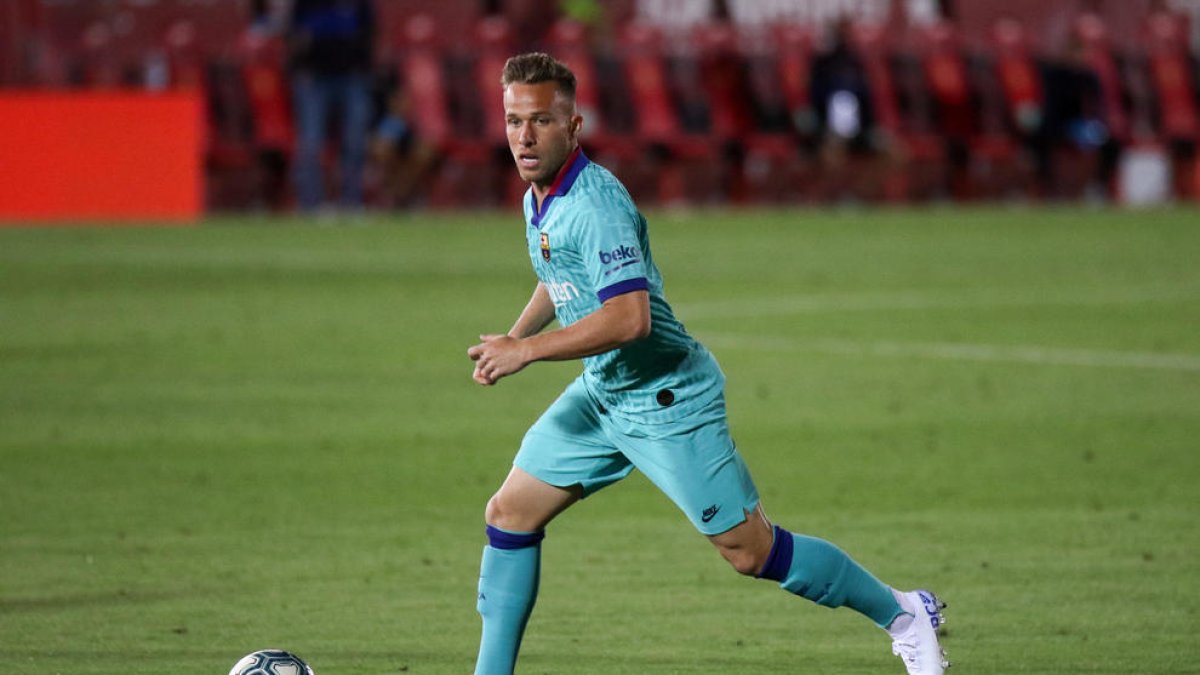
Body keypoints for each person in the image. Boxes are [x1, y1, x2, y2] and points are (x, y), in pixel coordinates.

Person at [466, 52, 950, 675]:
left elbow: (628, 318)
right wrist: (515, 335)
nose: (524, 137)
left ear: (574, 126)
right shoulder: (539, 196)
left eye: (540, 122)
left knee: (751, 552)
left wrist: (528, 352)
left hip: (666, 397)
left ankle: (905, 615)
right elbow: (560, 276)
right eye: (512, 122)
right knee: (509, 512)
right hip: (604, 395)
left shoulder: (595, 204)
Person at [285, 0, 376, 213]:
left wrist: (364, 67)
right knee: (311, 142)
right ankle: (311, 204)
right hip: (314, 78)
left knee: (354, 141)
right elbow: (293, 33)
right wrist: (299, 67)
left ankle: (352, 203)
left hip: (352, 77)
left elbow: (370, 31)